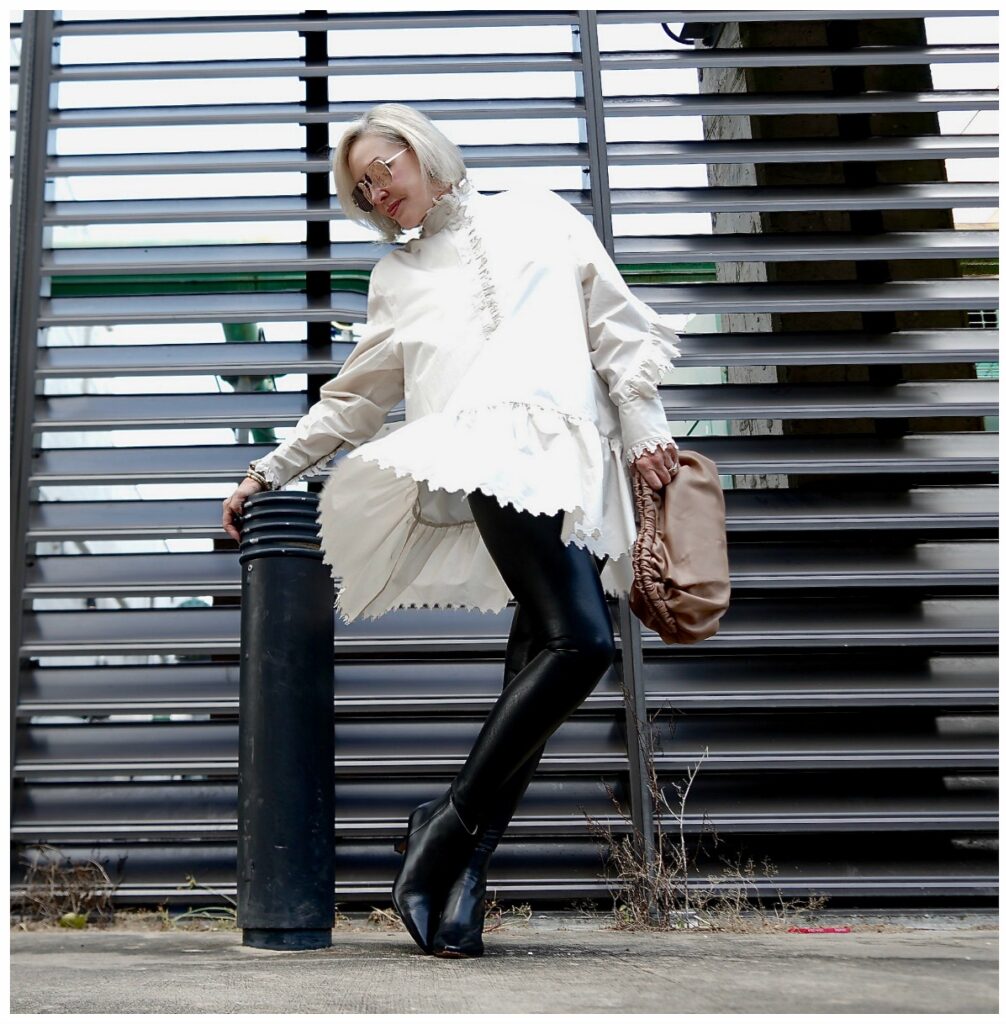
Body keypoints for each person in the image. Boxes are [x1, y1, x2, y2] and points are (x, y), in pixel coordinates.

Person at [222, 102, 681, 958]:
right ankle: (444, 830)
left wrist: (647, 426)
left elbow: (614, 326)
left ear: (421, 150)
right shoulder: (396, 278)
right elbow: (357, 395)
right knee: (580, 645)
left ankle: (462, 866)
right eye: (360, 189)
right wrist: (268, 469)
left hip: (575, 458)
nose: (375, 192)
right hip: (485, 452)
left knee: (538, 663)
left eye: (381, 169)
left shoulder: (541, 212)